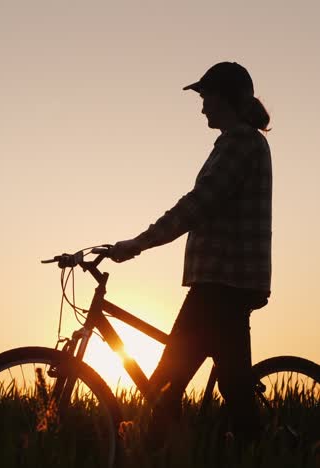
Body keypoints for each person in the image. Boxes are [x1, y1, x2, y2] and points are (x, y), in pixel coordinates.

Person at [108, 61, 272, 449]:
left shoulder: (240, 143)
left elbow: (198, 204)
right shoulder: (238, 142)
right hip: (223, 282)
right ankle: (245, 449)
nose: (202, 108)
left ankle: (160, 453)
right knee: (216, 385)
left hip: (222, 283)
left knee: (164, 384)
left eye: (206, 98)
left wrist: (139, 242)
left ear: (227, 98)